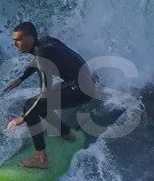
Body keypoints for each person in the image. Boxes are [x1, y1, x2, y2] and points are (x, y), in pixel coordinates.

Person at [5, 21, 97, 169]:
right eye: (14, 40)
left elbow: (45, 91)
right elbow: (37, 61)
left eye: (18, 40)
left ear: (30, 38)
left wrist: (23, 117)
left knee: (30, 106)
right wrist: (21, 79)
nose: (15, 44)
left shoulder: (42, 56)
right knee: (39, 105)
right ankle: (66, 133)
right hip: (85, 82)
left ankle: (40, 158)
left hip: (81, 90)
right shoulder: (46, 42)